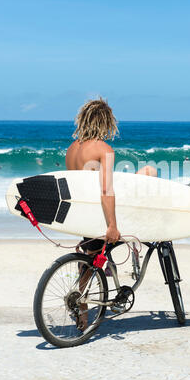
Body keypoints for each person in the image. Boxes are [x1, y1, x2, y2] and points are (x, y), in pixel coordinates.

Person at [65, 97, 157, 330]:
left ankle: (82, 307)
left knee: (91, 249)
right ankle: (141, 230)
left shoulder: (71, 149)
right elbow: (106, 190)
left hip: (83, 215)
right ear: (106, 122)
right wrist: (112, 226)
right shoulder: (103, 148)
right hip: (100, 216)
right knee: (150, 171)